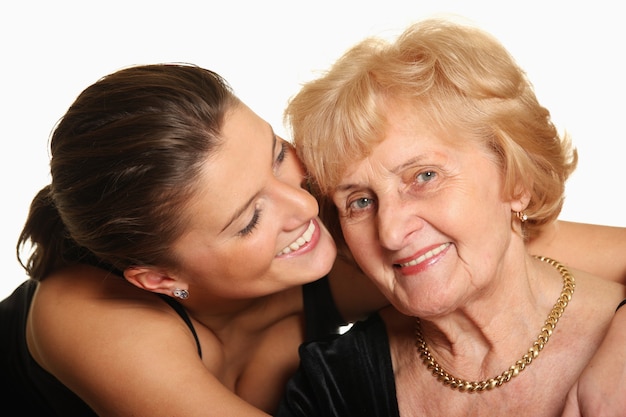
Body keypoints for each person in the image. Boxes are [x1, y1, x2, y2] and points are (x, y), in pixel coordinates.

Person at [0, 63, 623, 417]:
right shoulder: (88, 317)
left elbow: (513, 232)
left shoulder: (354, 230)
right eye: (248, 219)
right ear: (160, 279)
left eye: (276, 155)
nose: (304, 205)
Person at [276, 18, 626, 417]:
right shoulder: (330, 388)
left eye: (424, 176)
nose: (390, 232)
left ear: (516, 180)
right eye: (359, 202)